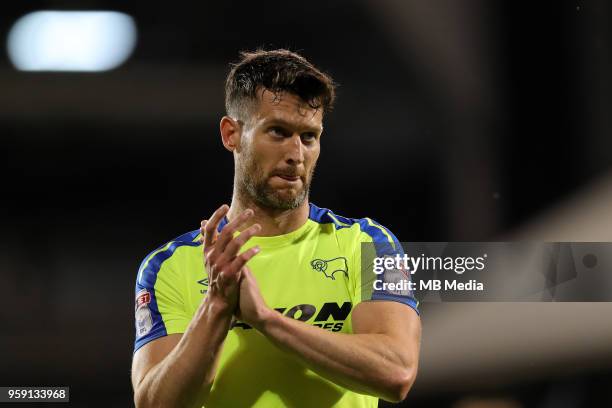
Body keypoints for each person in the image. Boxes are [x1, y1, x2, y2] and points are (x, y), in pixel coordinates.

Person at [131, 49, 421, 408]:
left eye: (309, 137)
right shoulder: (169, 267)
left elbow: (396, 373)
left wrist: (266, 320)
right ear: (231, 134)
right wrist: (218, 305)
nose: (296, 153)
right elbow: (155, 404)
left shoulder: (366, 244)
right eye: (278, 132)